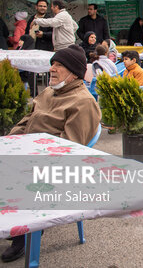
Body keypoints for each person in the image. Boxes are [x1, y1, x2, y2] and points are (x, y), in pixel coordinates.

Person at [3, 44, 101, 263]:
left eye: (59, 65)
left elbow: (71, 150)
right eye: (52, 64)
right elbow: (27, 121)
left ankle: (24, 232)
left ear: (74, 72)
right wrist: (9, 143)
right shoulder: (50, 91)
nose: (52, 69)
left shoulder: (83, 103)